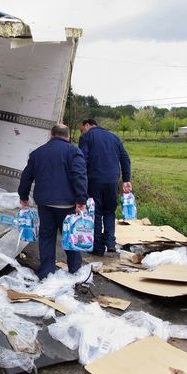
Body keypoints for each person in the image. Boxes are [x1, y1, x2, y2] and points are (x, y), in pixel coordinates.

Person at [18, 124, 88, 279]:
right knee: (70, 236)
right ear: (68, 137)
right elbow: (79, 177)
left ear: (51, 135)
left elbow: (26, 177)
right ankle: (75, 271)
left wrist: (23, 196)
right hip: (67, 205)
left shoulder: (37, 153)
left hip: (45, 204)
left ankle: (46, 272)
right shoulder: (74, 152)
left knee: (47, 236)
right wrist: (81, 200)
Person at [78, 118, 132, 257]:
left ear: (88, 125)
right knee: (109, 211)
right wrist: (126, 179)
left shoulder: (86, 137)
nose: (81, 131)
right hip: (113, 181)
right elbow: (125, 158)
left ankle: (97, 248)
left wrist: (80, 181)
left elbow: (82, 160)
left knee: (96, 212)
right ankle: (110, 243)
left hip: (94, 180)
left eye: (82, 128)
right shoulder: (114, 137)